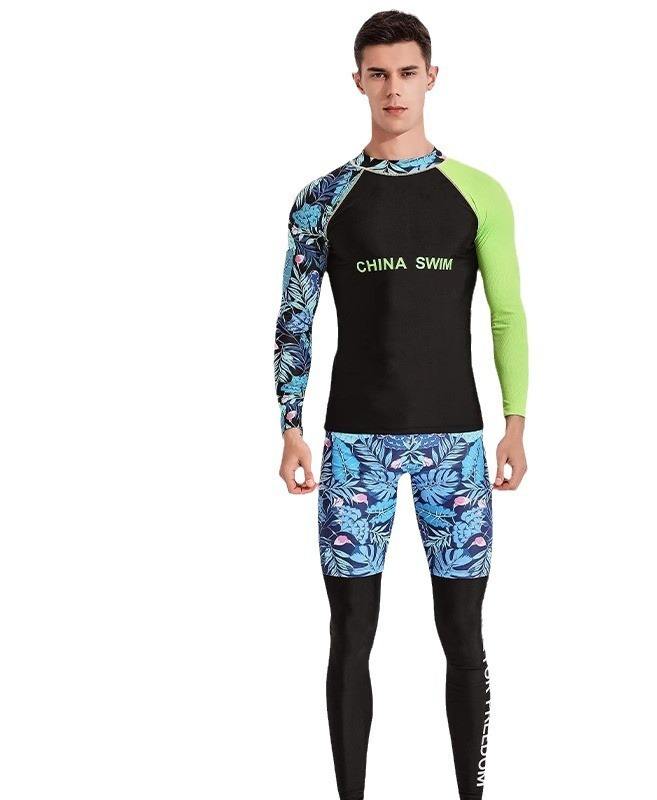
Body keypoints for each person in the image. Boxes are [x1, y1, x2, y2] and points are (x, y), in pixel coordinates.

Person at [274, 10, 529, 799]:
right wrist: (290, 426)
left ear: (431, 78)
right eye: (378, 73)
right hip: (355, 445)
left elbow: (507, 314)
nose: (394, 88)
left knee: (464, 635)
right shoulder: (322, 199)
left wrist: (515, 424)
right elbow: (294, 319)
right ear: (358, 81)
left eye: (407, 72)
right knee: (351, 634)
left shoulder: (478, 193)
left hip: (456, 444)